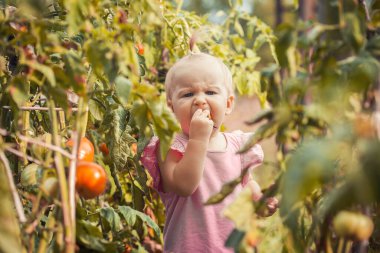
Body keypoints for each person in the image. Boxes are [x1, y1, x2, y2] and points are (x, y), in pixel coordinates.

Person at [141, 52, 278, 252]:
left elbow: (243, 185)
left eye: (211, 93)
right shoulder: (170, 146)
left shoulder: (237, 145)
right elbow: (183, 186)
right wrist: (198, 139)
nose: (200, 101)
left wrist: (260, 200)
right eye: (188, 94)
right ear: (171, 107)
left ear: (228, 103)